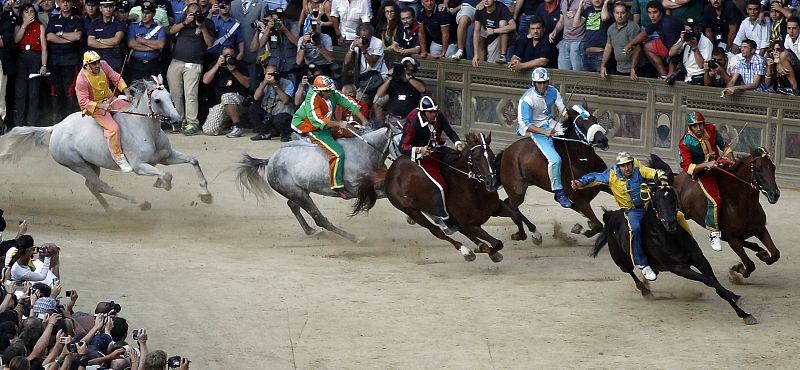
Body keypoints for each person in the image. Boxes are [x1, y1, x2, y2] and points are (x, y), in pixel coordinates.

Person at [571, 152, 667, 281]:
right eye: (623, 166)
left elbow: (652, 173)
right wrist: (580, 183)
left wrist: (662, 175)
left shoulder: (638, 168)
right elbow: (595, 177)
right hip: (632, 212)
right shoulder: (611, 175)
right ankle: (643, 264)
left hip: (650, 206)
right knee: (635, 229)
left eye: (628, 164)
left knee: (676, 216)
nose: (627, 168)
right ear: (618, 166)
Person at [290, 75, 368, 199]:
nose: (329, 93)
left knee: (354, 133)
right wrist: (339, 123)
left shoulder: (331, 91)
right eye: (326, 91)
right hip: (311, 127)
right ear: (319, 91)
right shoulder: (312, 99)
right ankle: (338, 186)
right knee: (337, 154)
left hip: (328, 124)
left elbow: (348, 102)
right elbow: (318, 121)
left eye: (330, 90)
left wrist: (364, 121)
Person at [398, 96, 465, 235]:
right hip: (424, 157)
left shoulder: (438, 115)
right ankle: (445, 218)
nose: (434, 114)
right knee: (440, 186)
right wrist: (419, 149)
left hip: (438, 149)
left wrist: (457, 142)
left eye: (435, 111)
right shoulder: (412, 121)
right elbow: (403, 146)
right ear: (423, 112)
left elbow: (449, 131)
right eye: (431, 112)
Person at [516, 67, 572, 208]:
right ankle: (559, 192)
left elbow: (562, 110)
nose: (543, 86)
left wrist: (565, 116)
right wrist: (544, 132)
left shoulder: (553, 91)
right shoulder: (527, 99)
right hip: (537, 130)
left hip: (552, 123)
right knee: (555, 160)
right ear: (533, 83)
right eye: (539, 83)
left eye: (545, 82)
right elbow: (525, 124)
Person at [678, 111, 732, 252]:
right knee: (716, 201)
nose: (699, 128)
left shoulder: (712, 130)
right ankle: (714, 233)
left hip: (718, 164)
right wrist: (706, 165)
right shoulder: (685, 143)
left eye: (700, 125)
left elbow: (724, 146)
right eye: (695, 126)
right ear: (690, 127)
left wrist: (730, 158)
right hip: (702, 173)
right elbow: (688, 167)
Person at [75, 51, 135, 172]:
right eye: (93, 63)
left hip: (110, 100)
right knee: (113, 129)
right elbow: (83, 102)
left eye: (97, 62)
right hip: (95, 107)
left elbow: (115, 77)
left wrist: (126, 92)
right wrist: (100, 106)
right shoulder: (81, 79)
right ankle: (118, 157)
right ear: (86, 65)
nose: (97, 65)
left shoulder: (103, 64)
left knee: (131, 110)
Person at [199, 45, 251, 136]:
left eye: (230, 55)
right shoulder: (215, 65)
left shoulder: (240, 65)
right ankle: (227, 123)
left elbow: (247, 84)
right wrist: (218, 65)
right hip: (221, 104)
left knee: (226, 96)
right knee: (209, 130)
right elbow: (205, 80)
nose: (228, 58)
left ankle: (238, 127)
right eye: (226, 55)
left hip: (238, 102)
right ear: (221, 56)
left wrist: (234, 71)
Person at [13, 3, 48, 127]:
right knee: (20, 92)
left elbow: (44, 48)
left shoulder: (40, 27)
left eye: (32, 12)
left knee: (33, 92)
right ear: (22, 14)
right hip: (22, 58)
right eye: (26, 12)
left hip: (35, 57)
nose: (29, 14)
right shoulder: (18, 26)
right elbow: (16, 40)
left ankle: (31, 123)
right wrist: (24, 25)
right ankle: (18, 123)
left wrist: (43, 65)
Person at [600, 1, 641, 80]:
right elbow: (608, 47)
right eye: (617, 13)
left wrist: (633, 68)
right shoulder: (611, 29)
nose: (619, 15)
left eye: (622, 13)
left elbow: (637, 49)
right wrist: (603, 66)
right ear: (613, 14)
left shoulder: (633, 27)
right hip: (619, 69)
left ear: (627, 14)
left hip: (635, 70)